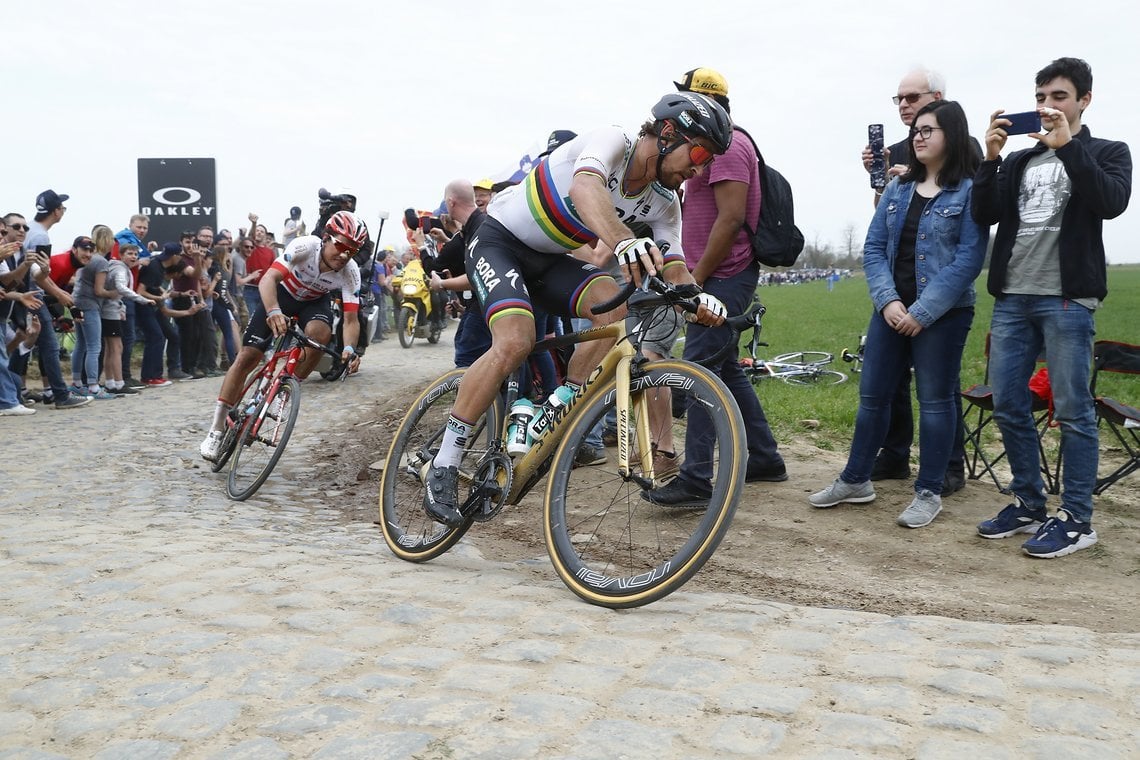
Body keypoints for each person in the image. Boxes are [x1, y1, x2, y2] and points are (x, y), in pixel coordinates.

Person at [419, 92, 732, 527]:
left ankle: (559, 402)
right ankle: (446, 460)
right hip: (499, 242)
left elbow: (676, 264)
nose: (699, 169)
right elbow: (586, 188)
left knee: (611, 312)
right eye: (698, 153)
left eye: (709, 162)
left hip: (550, 259)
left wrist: (697, 298)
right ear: (666, 133)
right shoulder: (613, 142)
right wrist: (624, 239)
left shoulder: (665, 201)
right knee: (515, 340)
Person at [972, 57, 1132, 558]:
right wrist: (992, 158)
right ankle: (1028, 503)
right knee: (1010, 404)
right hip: (1013, 298)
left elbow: (1112, 202)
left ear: (1084, 100)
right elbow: (986, 213)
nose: (1047, 107)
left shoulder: (1107, 151)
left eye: (1059, 97)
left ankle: (1079, 519)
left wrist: (1070, 150)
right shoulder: (1021, 161)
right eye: (1041, 98)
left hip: (1067, 299)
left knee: (1072, 410)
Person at [811, 100, 988, 527]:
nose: (919, 136)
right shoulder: (898, 187)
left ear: (953, 135)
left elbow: (969, 259)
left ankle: (928, 491)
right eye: (917, 131)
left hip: (942, 316)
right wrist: (889, 302)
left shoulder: (969, 189)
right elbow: (872, 249)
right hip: (890, 311)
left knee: (935, 402)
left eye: (929, 130)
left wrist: (923, 312)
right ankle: (855, 480)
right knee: (872, 398)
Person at [644, 69, 787, 509]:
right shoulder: (721, 142)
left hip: (723, 274)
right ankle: (763, 457)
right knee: (725, 367)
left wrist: (697, 280)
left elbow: (729, 217)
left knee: (700, 371)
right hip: (721, 272)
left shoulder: (726, 145)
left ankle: (696, 480)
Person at [859, 68, 970, 494]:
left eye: (912, 97)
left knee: (939, 388)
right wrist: (883, 178)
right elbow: (884, 216)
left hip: (938, 298)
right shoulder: (897, 149)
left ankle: (949, 466)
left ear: (936, 97)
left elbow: (965, 228)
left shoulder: (959, 144)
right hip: (896, 287)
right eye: (899, 99)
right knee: (889, 381)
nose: (904, 105)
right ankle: (894, 454)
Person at [199, 211, 367, 461]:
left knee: (320, 334)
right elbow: (269, 278)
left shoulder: (350, 272)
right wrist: (274, 311)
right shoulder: (305, 246)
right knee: (247, 357)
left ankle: (285, 389)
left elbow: (351, 319)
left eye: (351, 251)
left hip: (313, 303)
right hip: (282, 293)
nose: (344, 255)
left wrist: (351, 350)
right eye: (341, 245)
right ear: (326, 237)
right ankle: (216, 427)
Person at [3, 197, 90, 409]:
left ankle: (16, 392)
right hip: (30, 297)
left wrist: (51, 283)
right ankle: (58, 394)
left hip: (22, 299)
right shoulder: (40, 235)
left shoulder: (25, 242)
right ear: (56, 211)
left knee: (22, 342)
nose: (23, 230)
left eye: (23, 226)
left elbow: (36, 272)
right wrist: (60, 294)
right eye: (16, 227)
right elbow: (28, 279)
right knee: (48, 345)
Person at [102, 243, 153, 395]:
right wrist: (142, 299)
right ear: (121, 255)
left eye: (135, 255)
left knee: (110, 348)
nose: (133, 257)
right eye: (130, 254)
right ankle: (119, 383)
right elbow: (121, 287)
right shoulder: (120, 269)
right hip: (110, 311)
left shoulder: (120, 268)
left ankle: (110, 382)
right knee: (117, 348)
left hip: (112, 309)